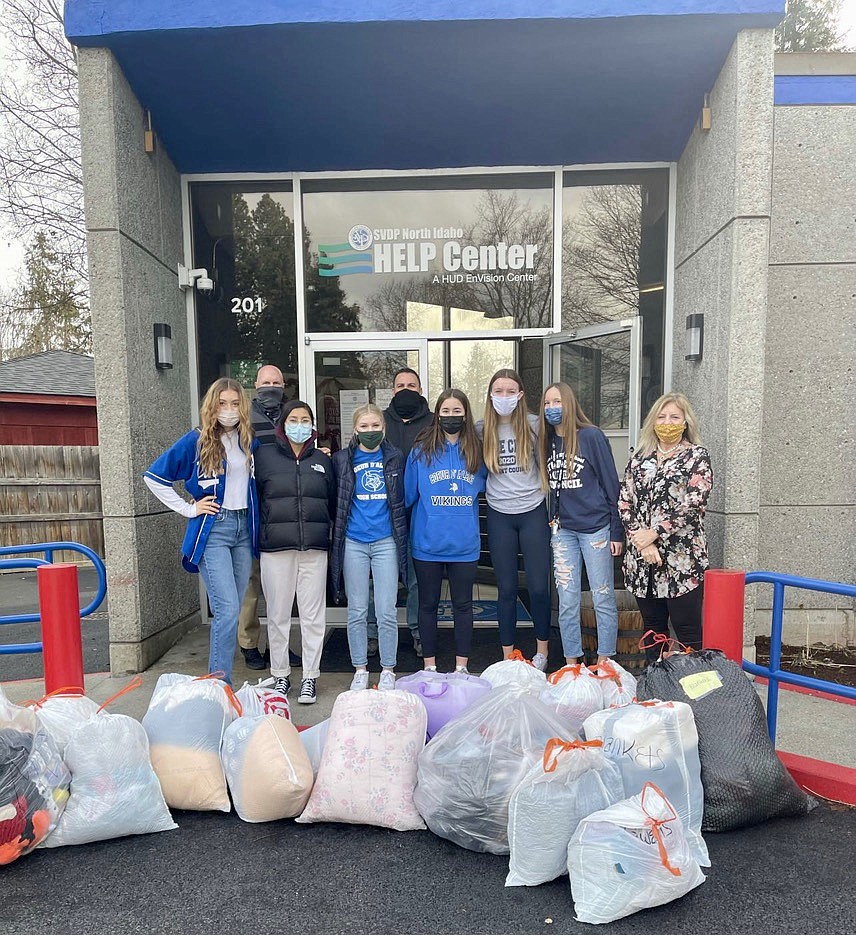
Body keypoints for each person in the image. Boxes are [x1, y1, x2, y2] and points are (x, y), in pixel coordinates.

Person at [143, 378, 258, 686]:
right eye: (223, 404)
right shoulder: (196, 440)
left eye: (235, 404)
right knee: (227, 609)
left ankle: (220, 682)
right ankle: (220, 684)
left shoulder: (248, 440)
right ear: (212, 406)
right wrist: (189, 509)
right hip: (215, 530)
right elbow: (154, 476)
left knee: (233, 610)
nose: (229, 410)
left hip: (244, 529)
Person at [618, 392, 712, 660]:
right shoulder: (640, 457)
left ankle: (694, 693)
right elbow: (625, 501)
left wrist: (654, 534)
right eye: (661, 417)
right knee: (653, 631)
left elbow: (694, 502)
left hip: (682, 560)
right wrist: (641, 540)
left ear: (685, 422)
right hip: (643, 560)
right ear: (652, 421)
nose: (667, 422)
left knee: (688, 632)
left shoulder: (696, 456)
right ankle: (657, 692)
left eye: (674, 417)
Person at [254, 399, 335, 703]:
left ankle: (310, 677)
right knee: (277, 615)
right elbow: (256, 499)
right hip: (276, 548)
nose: (299, 425)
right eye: (294, 419)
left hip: (314, 547)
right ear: (283, 424)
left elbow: (331, 500)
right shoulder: (264, 457)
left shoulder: (323, 461)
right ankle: (280, 675)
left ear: (312, 425)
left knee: (313, 616)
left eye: (305, 420)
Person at [539, 382, 623, 667]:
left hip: (596, 528)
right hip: (562, 531)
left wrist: (616, 530)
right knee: (567, 601)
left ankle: (604, 661)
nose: (552, 408)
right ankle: (571, 663)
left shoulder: (591, 437)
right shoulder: (547, 441)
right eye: (547, 403)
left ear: (570, 403)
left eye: (557, 401)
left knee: (602, 597)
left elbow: (613, 486)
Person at [405, 389, 487, 674]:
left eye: (457, 411)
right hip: (427, 544)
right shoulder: (421, 450)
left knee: (463, 606)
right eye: (446, 411)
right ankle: (429, 666)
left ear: (465, 414)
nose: (451, 416)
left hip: (464, 545)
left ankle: (461, 667)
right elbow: (407, 496)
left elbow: (491, 488)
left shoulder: (478, 450)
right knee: (428, 605)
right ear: (437, 414)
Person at [331, 404, 408, 692]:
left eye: (376, 426)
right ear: (355, 429)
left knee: (387, 610)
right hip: (354, 542)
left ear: (384, 428)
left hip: (386, 541)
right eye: (364, 426)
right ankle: (360, 669)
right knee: (357, 610)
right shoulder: (341, 460)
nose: (370, 431)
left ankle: (388, 669)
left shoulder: (395, 457)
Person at [478, 369, 551, 670]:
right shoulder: (481, 429)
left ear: (521, 394)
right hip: (499, 513)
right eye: (499, 391)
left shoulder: (535, 425)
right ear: (491, 394)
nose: (504, 396)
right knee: (506, 588)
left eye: (510, 391)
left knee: (537, 587)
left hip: (533, 510)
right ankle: (508, 654)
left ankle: (543, 651)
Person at [237, 364, 301, 671]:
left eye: (276, 382)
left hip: (282, 512)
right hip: (250, 510)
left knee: (281, 588)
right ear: (255, 385)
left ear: (284, 384)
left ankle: (281, 649)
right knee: (251, 583)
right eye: (266, 382)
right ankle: (249, 644)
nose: (271, 387)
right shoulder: (242, 418)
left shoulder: (293, 416)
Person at [370, 366, 434, 658]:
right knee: (378, 579)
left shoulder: (433, 423)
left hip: (421, 515)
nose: (406, 388)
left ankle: (419, 632)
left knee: (416, 580)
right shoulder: (378, 422)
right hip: (382, 514)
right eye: (400, 384)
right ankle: (372, 633)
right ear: (392, 390)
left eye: (411, 384)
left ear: (420, 390)